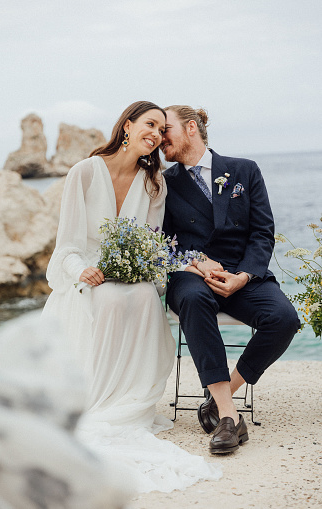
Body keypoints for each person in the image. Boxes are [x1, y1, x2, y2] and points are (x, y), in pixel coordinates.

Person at [42, 101, 222, 492]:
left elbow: (154, 247)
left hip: (129, 271)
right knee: (104, 298)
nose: (156, 135)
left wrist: (192, 263)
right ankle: (96, 400)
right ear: (127, 126)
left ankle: (128, 399)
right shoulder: (84, 173)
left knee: (142, 297)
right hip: (85, 273)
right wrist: (82, 271)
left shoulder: (153, 182)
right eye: (150, 125)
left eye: (161, 130)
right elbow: (66, 246)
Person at [161, 105, 300, 455]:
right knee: (193, 300)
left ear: (191, 128)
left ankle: (220, 397)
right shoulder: (163, 182)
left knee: (284, 320)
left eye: (167, 129)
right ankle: (227, 417)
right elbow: (158, 242)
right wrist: (195, 261)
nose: (160, 138)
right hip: (192, 278)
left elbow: (263, 232)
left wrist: (243, 276)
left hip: (243, 275)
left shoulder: (244, 170)